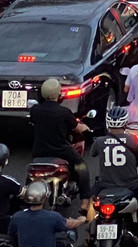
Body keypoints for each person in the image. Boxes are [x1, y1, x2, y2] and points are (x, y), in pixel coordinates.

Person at [90, 105, 138, 242]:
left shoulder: (99, 141)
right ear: (125, 122)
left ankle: (88, 236)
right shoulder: (132, 140)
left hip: (105, 184)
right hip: (131, 183)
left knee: (93, 203)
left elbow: (92, 153)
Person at [29, 78, 92, 215]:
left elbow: (33, 122)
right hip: (61, 150)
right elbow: (77, 128)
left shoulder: (35, 110)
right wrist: (87, 128)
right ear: (58, 94)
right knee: (81, 166)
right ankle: (85, 202)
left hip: (39, 151)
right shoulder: (64, 112)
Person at [8, 181, 87, 247]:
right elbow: (70, 224)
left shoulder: (17, 217)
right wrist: (81, 219)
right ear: (45, 198)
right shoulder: (52, 217)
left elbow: (12, 238)